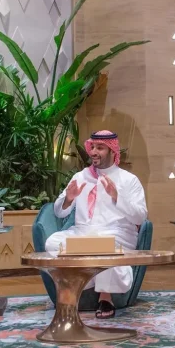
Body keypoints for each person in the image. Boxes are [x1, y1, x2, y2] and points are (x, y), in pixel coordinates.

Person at [45, 130, 148, 319]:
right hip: (82, 234)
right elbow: (59, 212)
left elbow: (140, 217)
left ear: (112, 151)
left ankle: (104, 296)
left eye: (100, 148)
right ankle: (94, 277)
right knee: (52, 243)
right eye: (92, 147)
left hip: (116, 234)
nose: (93, 152)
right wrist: (69, 198)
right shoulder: (80, 177)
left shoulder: (128, 180)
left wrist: (117, 196)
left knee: (103, 247)